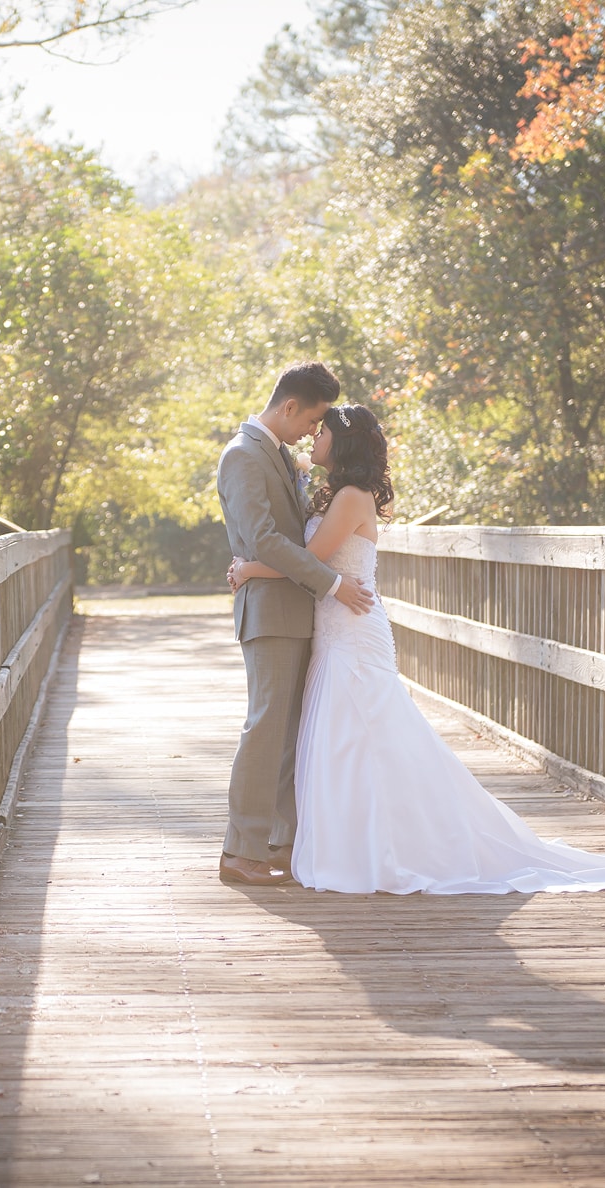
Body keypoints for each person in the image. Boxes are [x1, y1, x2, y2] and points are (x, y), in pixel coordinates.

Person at [228, 403, 605, 894]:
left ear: (343, 443)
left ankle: (389, 846)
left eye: (323, 430)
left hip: (351, 631)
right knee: (341, 740)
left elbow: (311, 559)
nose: (314, 436)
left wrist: (251, 569)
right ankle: (342, 842)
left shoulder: (353, 497)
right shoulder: (336, 492)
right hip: (334, 631)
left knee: (370, 736)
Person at [215, 363, 378, 886]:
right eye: (312, 419)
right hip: (270, 609)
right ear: (288, 407)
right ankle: (242, 850)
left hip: (297, 608)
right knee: (265, 729)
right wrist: (331, 584)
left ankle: (283, 842)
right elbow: (263, 539)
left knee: (290, 734)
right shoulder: (243, 456)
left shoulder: (279, 457)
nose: (314, 431)